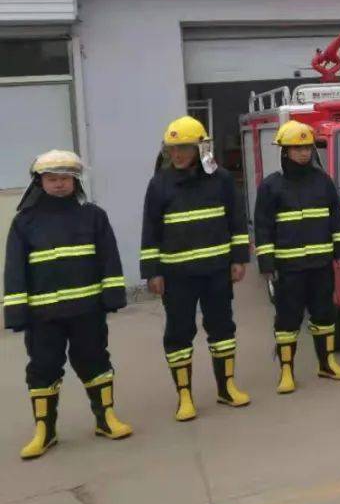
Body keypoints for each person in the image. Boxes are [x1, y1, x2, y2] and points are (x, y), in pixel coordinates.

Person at [4, 150, 131, 460]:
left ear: (75, 181)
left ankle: (106, 419)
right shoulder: (24, 222)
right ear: (39, 182)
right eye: (52, 179)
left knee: (95, 361)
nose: (59, 184)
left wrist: (113, 295)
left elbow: (109, 258)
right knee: (43, 368)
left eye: (65, 178)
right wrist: (16, 311)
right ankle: (44, 431)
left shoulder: (93, 216)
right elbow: (15, 270)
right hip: (43, 315)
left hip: (87, 311)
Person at [141, 116, 250, 421]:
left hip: (217, 271)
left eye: (184, 148)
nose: (177, 155)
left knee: (222, 328)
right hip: (177, 276)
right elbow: (150, 231)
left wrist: (239, 258)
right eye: (172, 149)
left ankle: (226, 388)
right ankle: (184, 396)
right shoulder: (159, 184)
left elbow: (236, 221)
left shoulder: (222, 180)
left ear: (201, 148)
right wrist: (153, 271)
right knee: (179, 333)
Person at [254, 120, 340, 393]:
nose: (304, 153)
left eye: (307, 147)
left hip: (321, 264)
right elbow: (263, 227)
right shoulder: (271, 186)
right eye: (297, 149)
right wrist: (266, 262)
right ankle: (286, 371)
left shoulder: (323, 181)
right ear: (285, 151)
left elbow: (336, 216)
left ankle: (327, 364)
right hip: (289, 267)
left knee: (325, 314)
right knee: (287, 320)